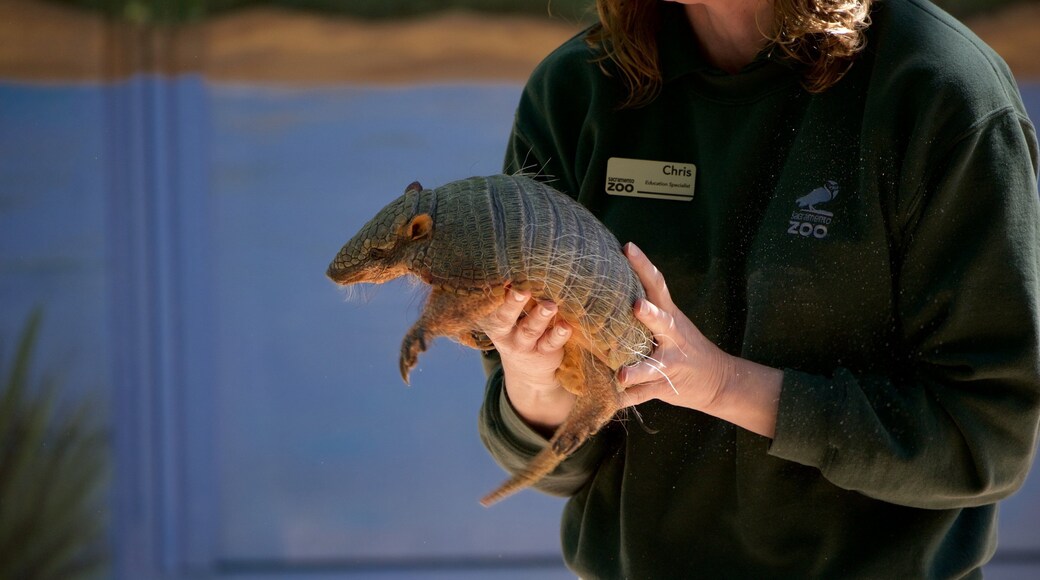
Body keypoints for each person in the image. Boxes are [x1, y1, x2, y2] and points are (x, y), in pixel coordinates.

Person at [476, 0, 1040, 577]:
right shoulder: (576, 89)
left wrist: (723, 384)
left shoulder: (940, 89)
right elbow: (556, 464)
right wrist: (532, 374)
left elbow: (985, 440)